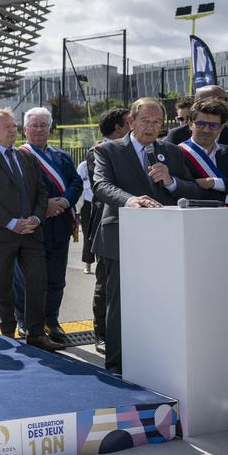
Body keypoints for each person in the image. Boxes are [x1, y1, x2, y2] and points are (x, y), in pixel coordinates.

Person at [92, 97, 199, 373]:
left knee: (158, 302)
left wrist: (172, 181)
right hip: (120, 236)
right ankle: (116, 365)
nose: (151, 128)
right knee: (119, 304)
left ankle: (155, 361)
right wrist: (131, 201)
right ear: (130, 121)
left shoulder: (172, 152)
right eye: (145, 121)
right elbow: (102, 186)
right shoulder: (108, 150)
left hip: (163, 240)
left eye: (157, 122)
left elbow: (194, 191)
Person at [0, 108, 63, 352]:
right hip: (1, 234)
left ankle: (35, 333)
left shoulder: (27, 157)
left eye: (14, 125)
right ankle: (8, 332)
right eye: (7, 127)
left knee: (37, 281)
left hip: (31, 231)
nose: (13, 130)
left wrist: (35, 217)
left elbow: (41, 192)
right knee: (3, 283)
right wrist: (12, 223)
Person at [12, 107, 82, 344]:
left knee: (56, 279)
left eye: (44, 125)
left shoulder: (61, 157)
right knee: (27, 279)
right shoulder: (17, 156)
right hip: (33, 228)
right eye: (35, 125)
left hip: (60, 225)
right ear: (25, 129)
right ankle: (24, 320)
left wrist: (63, 201)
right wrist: (45, 207)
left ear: (50, 129)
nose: (40, 129)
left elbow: (76, 182)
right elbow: (15, 192)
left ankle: (51, 320)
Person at [86, 108, 130, 354]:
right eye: (130, 122)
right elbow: (103, 188)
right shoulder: (99, 152)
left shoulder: (138, 151)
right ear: (119, 128)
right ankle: (101, 332)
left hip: (137, 227)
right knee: (105, 283)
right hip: (108, 227)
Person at [163, 85, 228, 147]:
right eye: (217, 100)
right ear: (197, 103)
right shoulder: (177, 135)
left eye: (226, 100)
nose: (223, 104)